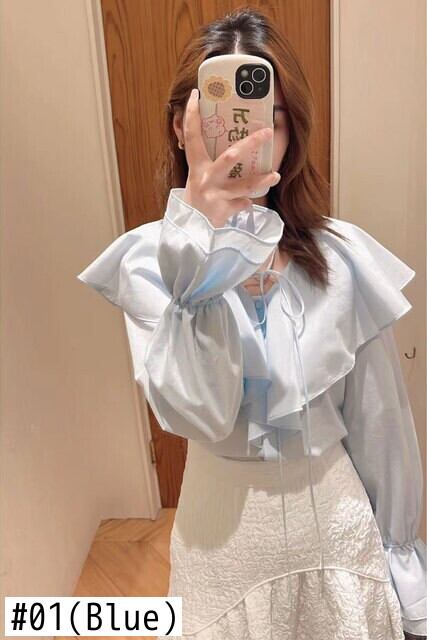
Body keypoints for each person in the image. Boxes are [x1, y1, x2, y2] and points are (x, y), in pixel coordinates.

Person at [76, 8, 426, 639]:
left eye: (270, 119)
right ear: (181, 127)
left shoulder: (342, 256)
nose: (246, 138)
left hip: (338, 540)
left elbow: (381, 424)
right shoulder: (152, 264)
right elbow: (202, 414)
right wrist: (199, 254)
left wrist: (403, 568)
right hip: (222, 548)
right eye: (222, 118)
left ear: (292, 133)